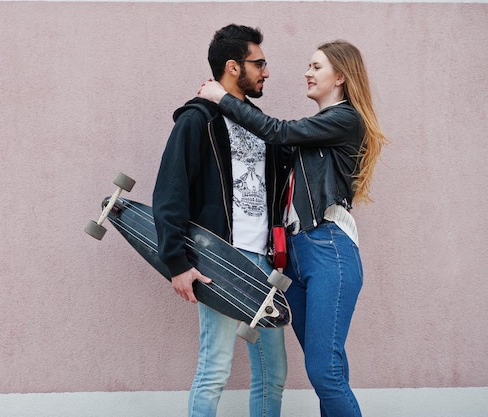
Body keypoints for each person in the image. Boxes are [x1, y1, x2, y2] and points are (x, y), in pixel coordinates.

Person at [198, 40, 387, 417]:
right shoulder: (318, 130)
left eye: (316, 67)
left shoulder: (346, 119)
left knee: (324, 371)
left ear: (340, 77)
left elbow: (277, 131)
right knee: (329, 370)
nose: (307, 72)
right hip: (297, 260)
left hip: (328, 248)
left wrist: (222, 97)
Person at [153, 24, 290, 417]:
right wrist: (177, 264)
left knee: (273, 372)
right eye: (258, 62)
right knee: (215, 368)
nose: (266, 71)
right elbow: (170, 193)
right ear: (233, 67)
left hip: (265, 264)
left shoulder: (256, 121)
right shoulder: (196, 121)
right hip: (221, 262)